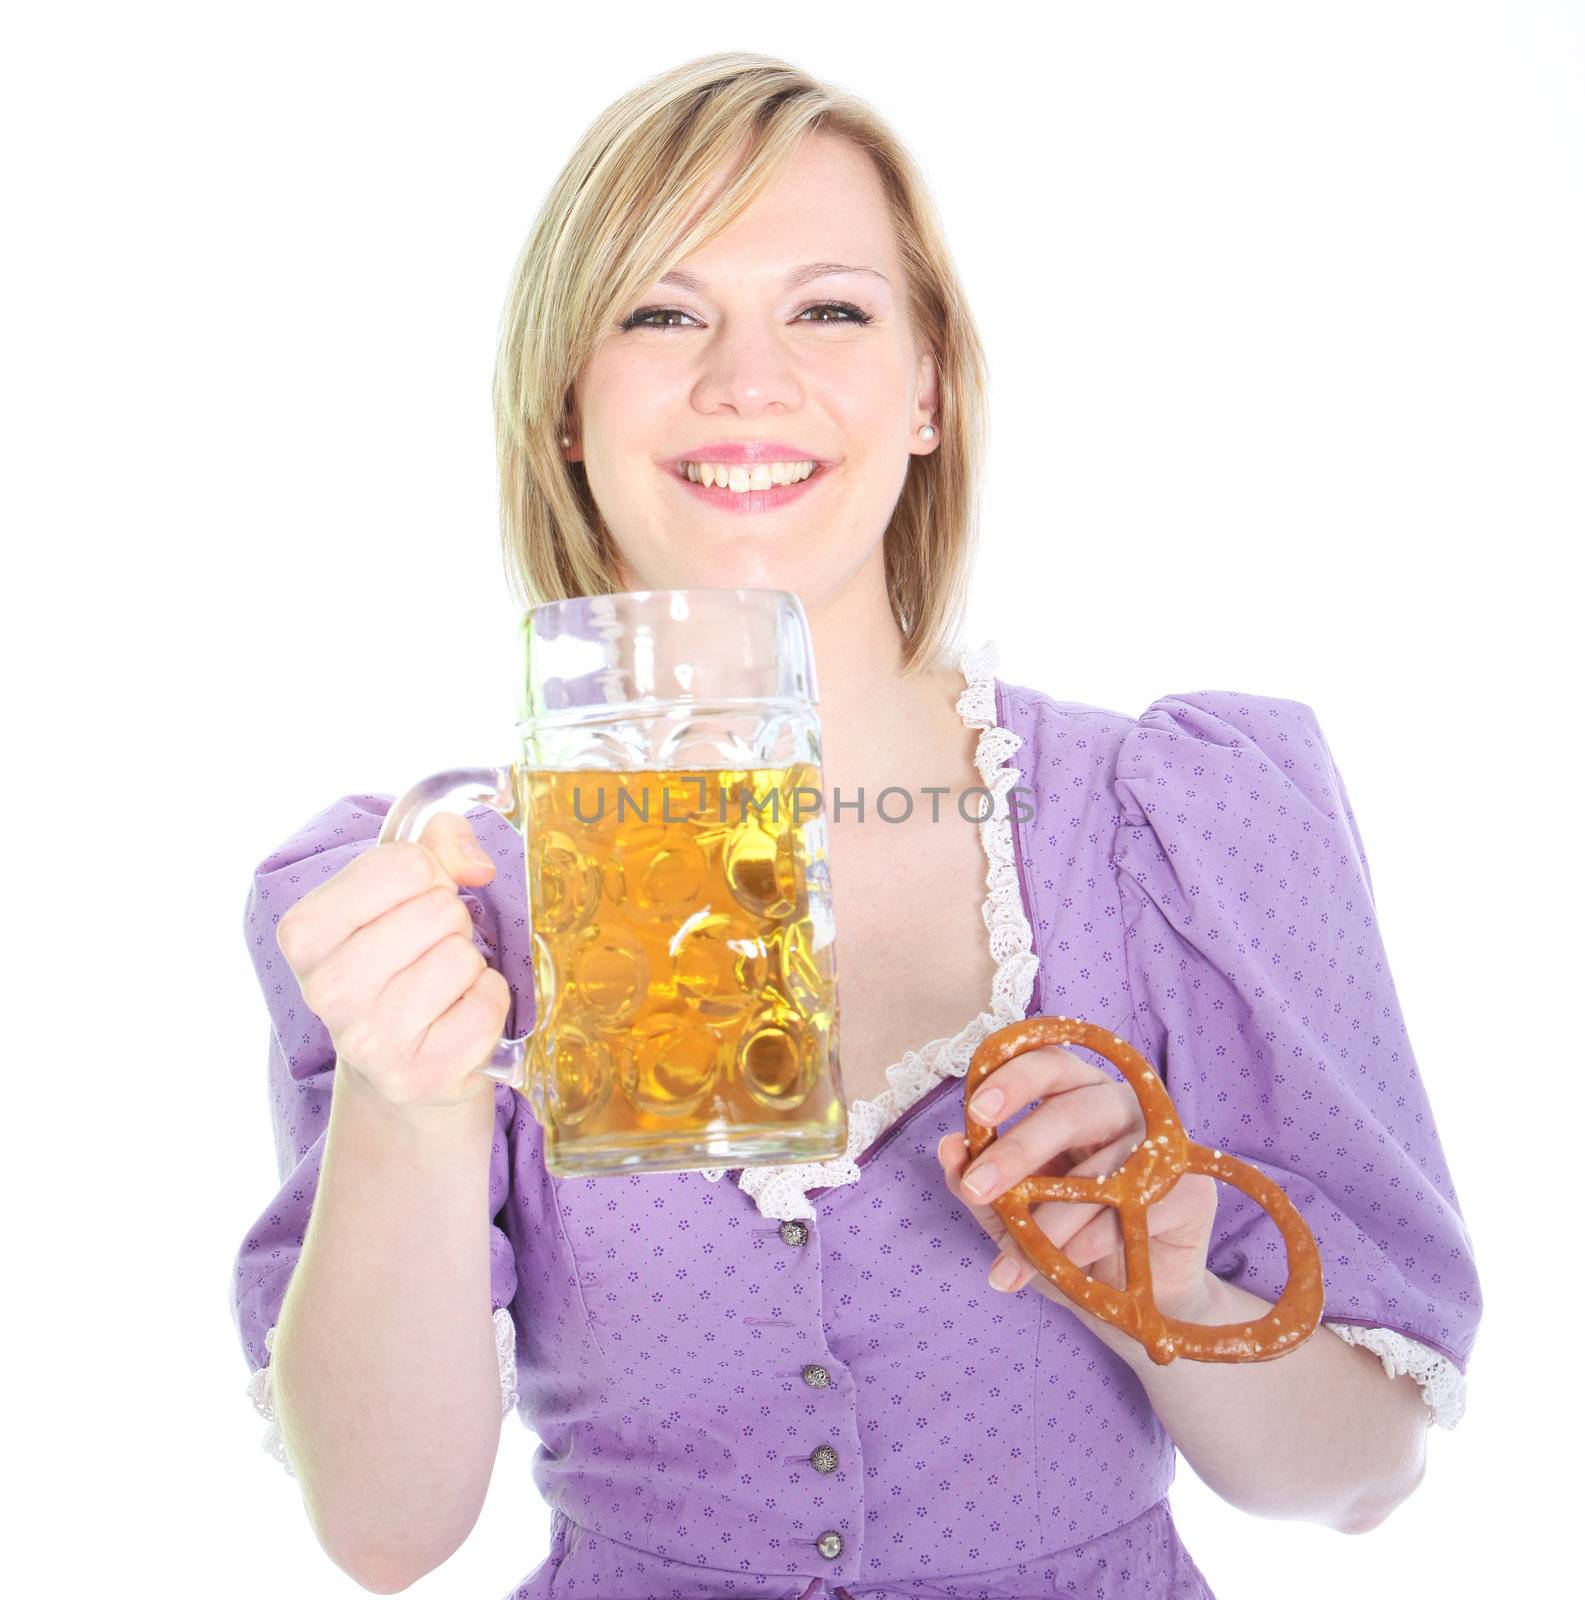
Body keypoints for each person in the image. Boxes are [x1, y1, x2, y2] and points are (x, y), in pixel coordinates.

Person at [231, 51, 1483, 1599]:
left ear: (928, 391)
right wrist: (407, 1106)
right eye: (660, 310)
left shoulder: (1185, 819)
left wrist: (1159, 1293)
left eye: (829, 310)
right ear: (567, 406)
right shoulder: (430, 902)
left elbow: (1364, 1478)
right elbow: (382, 1531)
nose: (748, 381)